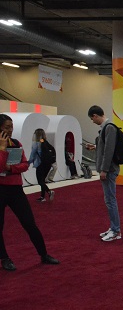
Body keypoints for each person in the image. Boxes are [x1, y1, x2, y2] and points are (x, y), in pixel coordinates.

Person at [0, 114, 60, 271]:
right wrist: (2, 149)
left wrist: (11, 168)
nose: (10, 130)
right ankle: (4, 258)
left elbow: (25, 165)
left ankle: (43, 254)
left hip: (16, 189)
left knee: (29, 223)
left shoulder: (16, 143)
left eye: (11, 126)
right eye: (7, 127)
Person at [86, 105, 122, 242]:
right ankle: (113, 227)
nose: (92, 121)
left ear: (95, 115)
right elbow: (106, 147)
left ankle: (116, 230)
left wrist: (104, 170)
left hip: (109, 170)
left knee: (111, 200)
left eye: (92, 118)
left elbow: (109, 151)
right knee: (109, 200)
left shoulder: (109, 127)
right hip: (108, 169)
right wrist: (95, 147)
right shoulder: (107, 128)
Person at [28, 128, 54, 202]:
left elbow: (32, 155)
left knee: (40, 181)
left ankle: (49, 192)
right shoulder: (44, 141)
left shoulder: (36, 143)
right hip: (48, 164)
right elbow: (52, 149)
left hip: (40, 164)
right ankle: (42, 197)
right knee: (43, 180)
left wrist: (28, 162)